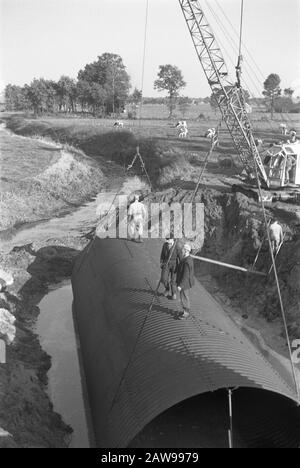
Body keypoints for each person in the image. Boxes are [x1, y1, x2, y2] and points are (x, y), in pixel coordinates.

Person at [176, 244, 195, 320]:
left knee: (184, 297)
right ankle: (185, 311)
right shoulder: (187, 258)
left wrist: (180, 285)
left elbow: (186, 275)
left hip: (185, 284)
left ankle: (186, 313)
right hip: (185, 283)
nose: (182, 250)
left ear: (186, 251)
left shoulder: (187, 261)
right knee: (184, 296)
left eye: (183, 249)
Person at [160, 234, 181, 300]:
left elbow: (180, 257)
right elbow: (162, 255)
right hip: (166, 263)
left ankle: (173, 293)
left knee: (173, 281)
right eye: (166, 239)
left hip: (174, 265)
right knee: (163, 279)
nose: (167, 240)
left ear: (172, 239)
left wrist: (181, 267)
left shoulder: (177, 246)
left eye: (168, 239)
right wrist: (162, 263)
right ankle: (167, 289)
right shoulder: (165, 245)